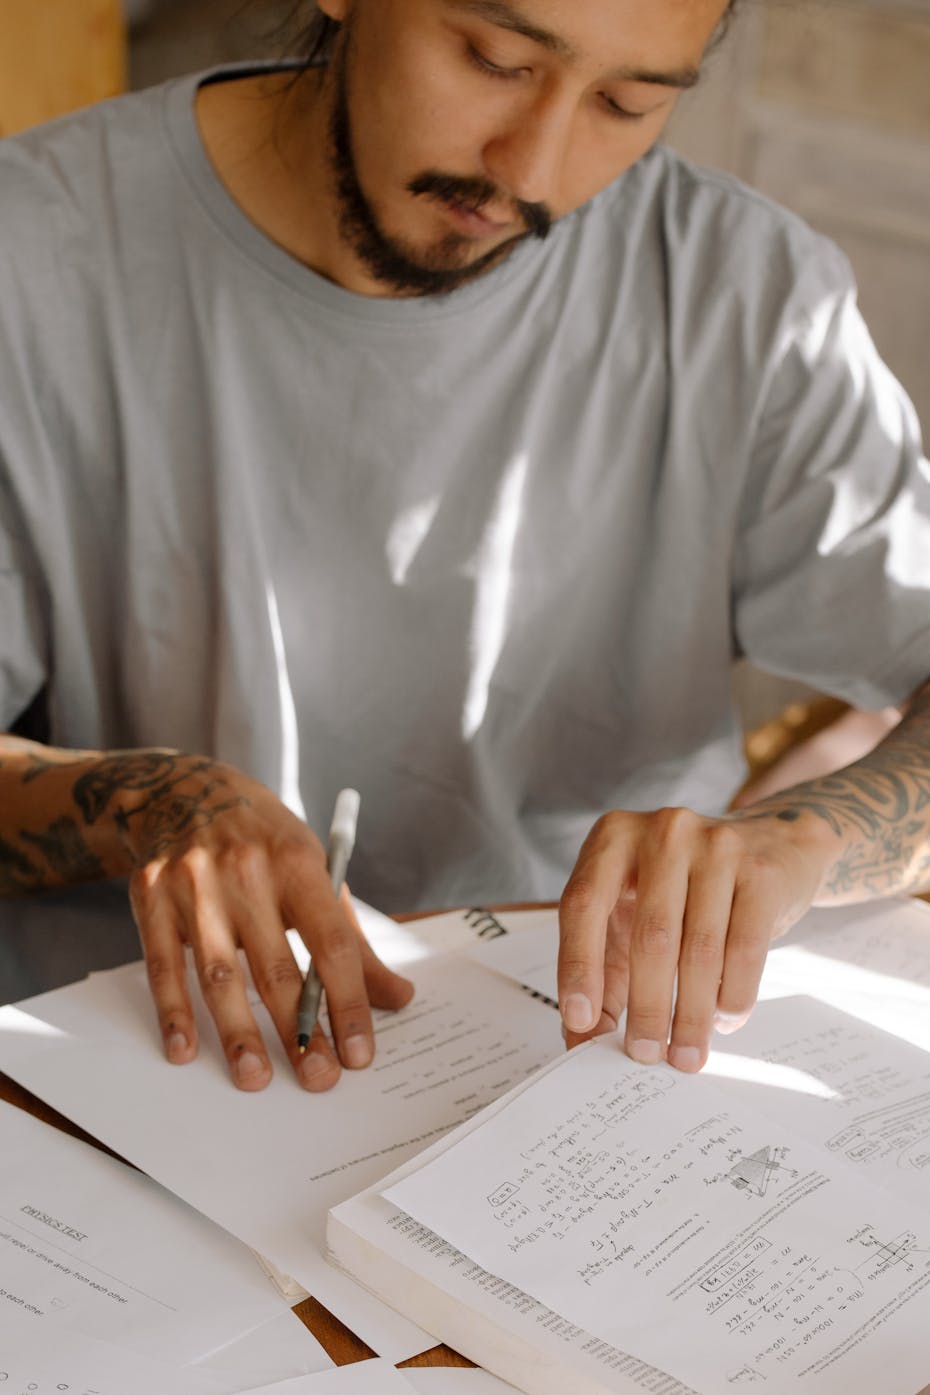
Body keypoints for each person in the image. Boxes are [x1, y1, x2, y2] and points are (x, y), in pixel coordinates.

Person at [1, 0, 928, 1092]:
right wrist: (139, 803)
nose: (530, 167)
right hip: (136, 1066)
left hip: (582, 1065)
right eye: (495, 59)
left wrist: (804, 840)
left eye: (627, 104)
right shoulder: (38, 254)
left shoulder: (749, 298)